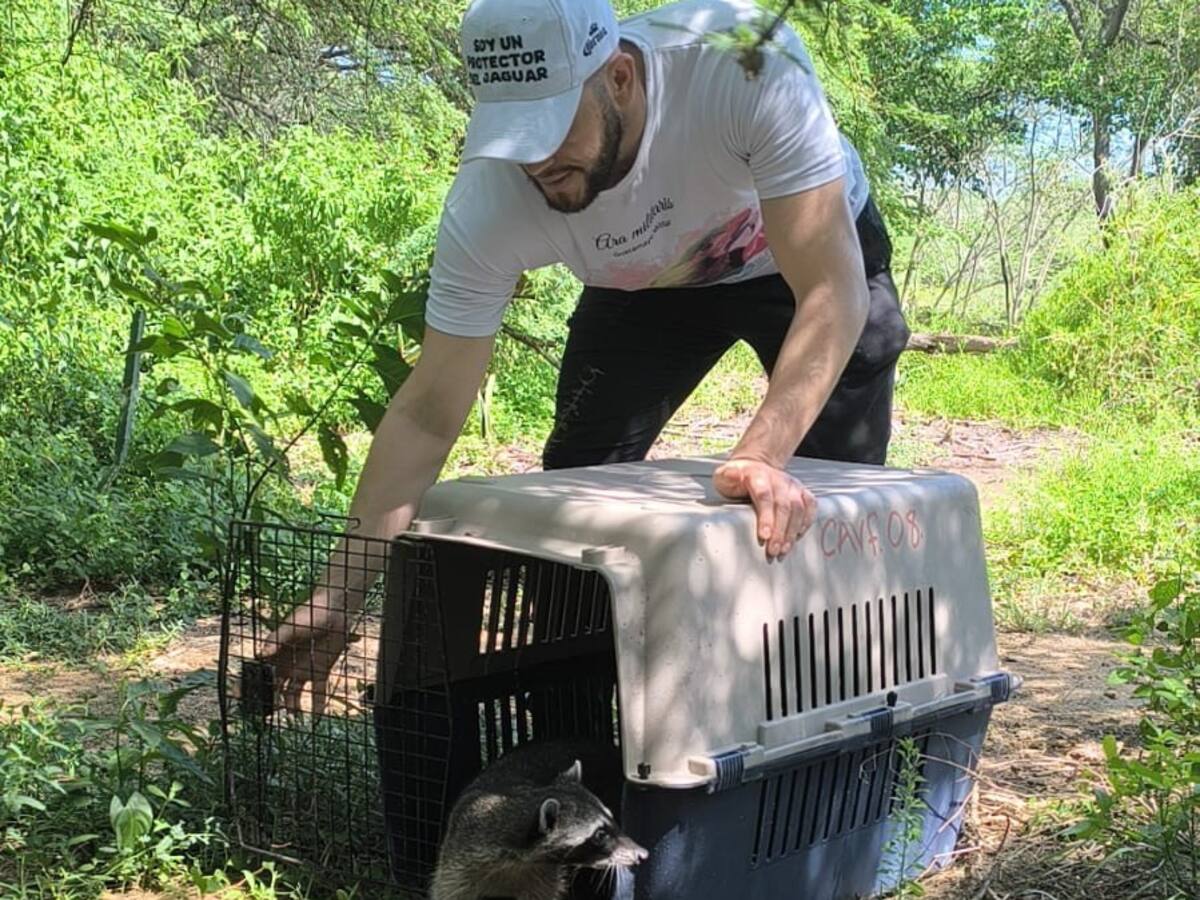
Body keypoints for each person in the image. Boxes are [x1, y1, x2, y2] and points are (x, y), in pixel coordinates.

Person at [264, 0, 910, 711]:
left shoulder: (742, 62)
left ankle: (835, 708)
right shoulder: (489, 199)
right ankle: (571, 727)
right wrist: (338, 594)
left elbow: (831, 290)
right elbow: (428, 411)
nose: (537, 161)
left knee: (826, 490)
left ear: (620, 78)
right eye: (517, 136)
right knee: (578, 471)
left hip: (797, 257)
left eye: (551, 128)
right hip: (644, 284)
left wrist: (761, 454)